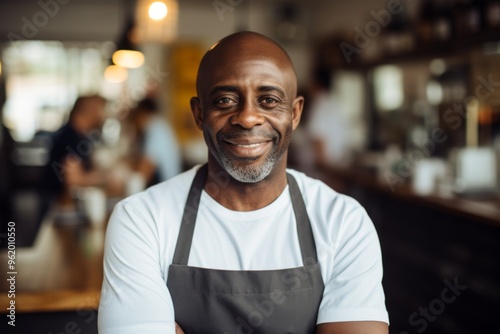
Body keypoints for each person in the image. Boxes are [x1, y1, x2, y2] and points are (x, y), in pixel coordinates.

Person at [98, 31, 389, 334]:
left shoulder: (343, 222)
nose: (248, 117)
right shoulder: (141, 220)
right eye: (225, 100)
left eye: (268, 100)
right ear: (199, 114)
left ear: (295, 113)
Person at [41, 95, 109, 215]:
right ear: (90, 111)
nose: (104, 116)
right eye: (102, 111)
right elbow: (73, 179)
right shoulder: (71, 138)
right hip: (59, 206)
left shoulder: (78, 135)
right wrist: (107, 177)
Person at [127, 97, 182, 186]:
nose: (135, 124)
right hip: (168, 184)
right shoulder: (159, 124)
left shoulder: (155, 127)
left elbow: (146, 168)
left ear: (142, 114)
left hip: (166, 187)